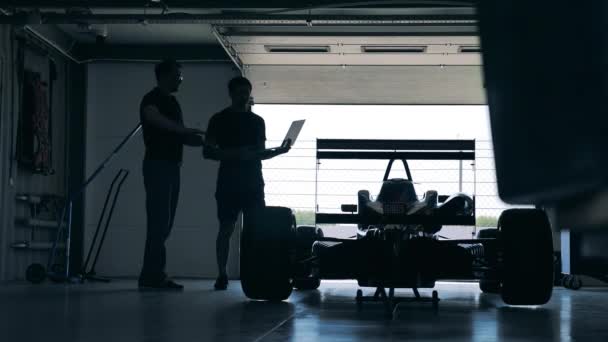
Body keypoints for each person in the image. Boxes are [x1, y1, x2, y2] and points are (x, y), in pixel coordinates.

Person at [203, 76, 291, 290]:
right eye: (240, 92)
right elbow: (207, 151)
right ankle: (222, 273)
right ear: (231, 93)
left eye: (247, 92)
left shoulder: (257, 121)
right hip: (229, 183)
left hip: (252, 182)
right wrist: (236, 154)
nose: (244, 96)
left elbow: (259, 154)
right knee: (226, 227)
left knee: (256, 229)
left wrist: (278, 151)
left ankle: (256, 272)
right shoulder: (219, 119)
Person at [138, 59, 204, 290]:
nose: (180, 79)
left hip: (172, 166)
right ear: (165, 75)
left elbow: (179, 134)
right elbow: (152, 117)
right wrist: (183, 131)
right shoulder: (152, 98)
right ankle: (153, 276)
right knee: (159, 222)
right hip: (158, 165)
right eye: (178, 75)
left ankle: (153, 274)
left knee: (164, 224)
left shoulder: (173, 102)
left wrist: (203, 142)